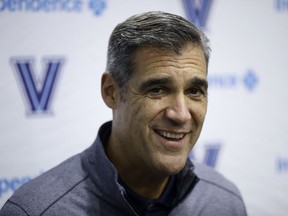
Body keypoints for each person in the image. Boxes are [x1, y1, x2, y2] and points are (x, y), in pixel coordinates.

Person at [0, 11, 247, 216]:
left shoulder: (224, 202)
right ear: (111, 92)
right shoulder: (36, 211)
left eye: (194, 90)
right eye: (157, 89)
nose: (181, 114)